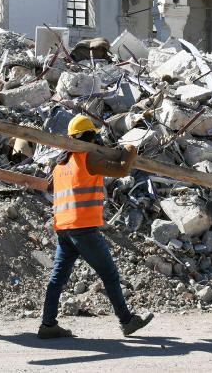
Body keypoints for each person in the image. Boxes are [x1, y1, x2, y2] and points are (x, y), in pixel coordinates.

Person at [38, 114, 153, 339]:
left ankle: (48, 324)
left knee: (57, 279)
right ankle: (127, 321)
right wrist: (130, 151)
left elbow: (52, 187)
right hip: (83, 229)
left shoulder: (60, 164)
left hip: (64, 229)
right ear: (89, 136)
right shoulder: (87, 158)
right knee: (109, 275)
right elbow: (121, 170)